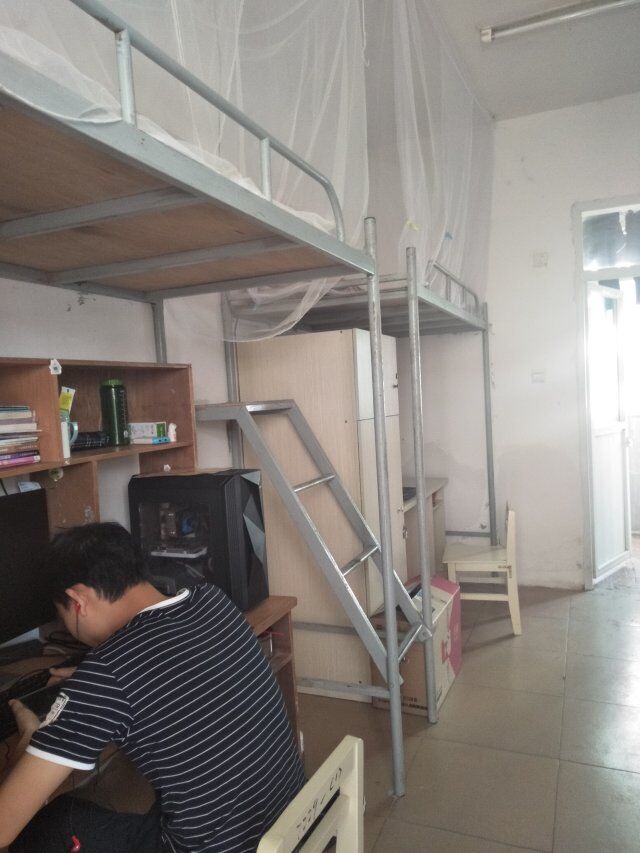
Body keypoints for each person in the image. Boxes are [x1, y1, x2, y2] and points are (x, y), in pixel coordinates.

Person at [0, 522, 305, 852]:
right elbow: (177, 665)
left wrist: (28, 742)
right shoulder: (213, 601)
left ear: (78, 601)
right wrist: (89, 681)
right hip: (289, 826)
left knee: (56, 824)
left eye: (64, 618)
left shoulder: (106, 673)